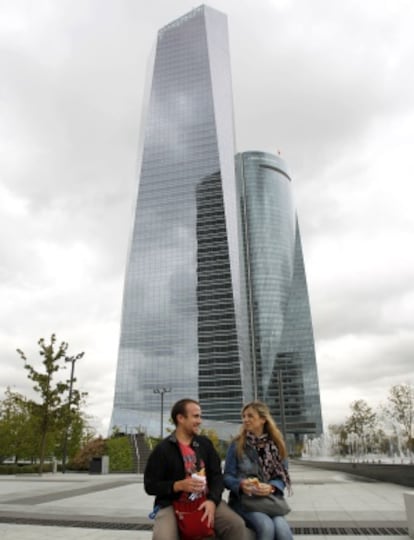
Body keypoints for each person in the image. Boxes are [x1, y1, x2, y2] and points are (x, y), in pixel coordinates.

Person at [144, 398, 248, 540]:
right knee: (163, 537)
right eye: (195, 416)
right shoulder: (163, 449)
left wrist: (212, 501)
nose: (199, 421)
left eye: (200, 416)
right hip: (172, 504)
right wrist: (177, 485)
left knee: (236, 525)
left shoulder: (204, 444)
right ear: (180, 418)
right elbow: (150, 485)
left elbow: (217, 476)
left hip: (205, 499)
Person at [223, 401, 293, 540]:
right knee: (266, 526)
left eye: (250, 416)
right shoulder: (237, 445)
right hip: (245, 503)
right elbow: (227, 477)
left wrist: (272, 487)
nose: (245, 420)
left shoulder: (277, 445)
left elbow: (282, 476)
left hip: (270, 501)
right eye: (243, 416)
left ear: (263, 419)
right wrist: (241, 485)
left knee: (282, 530)